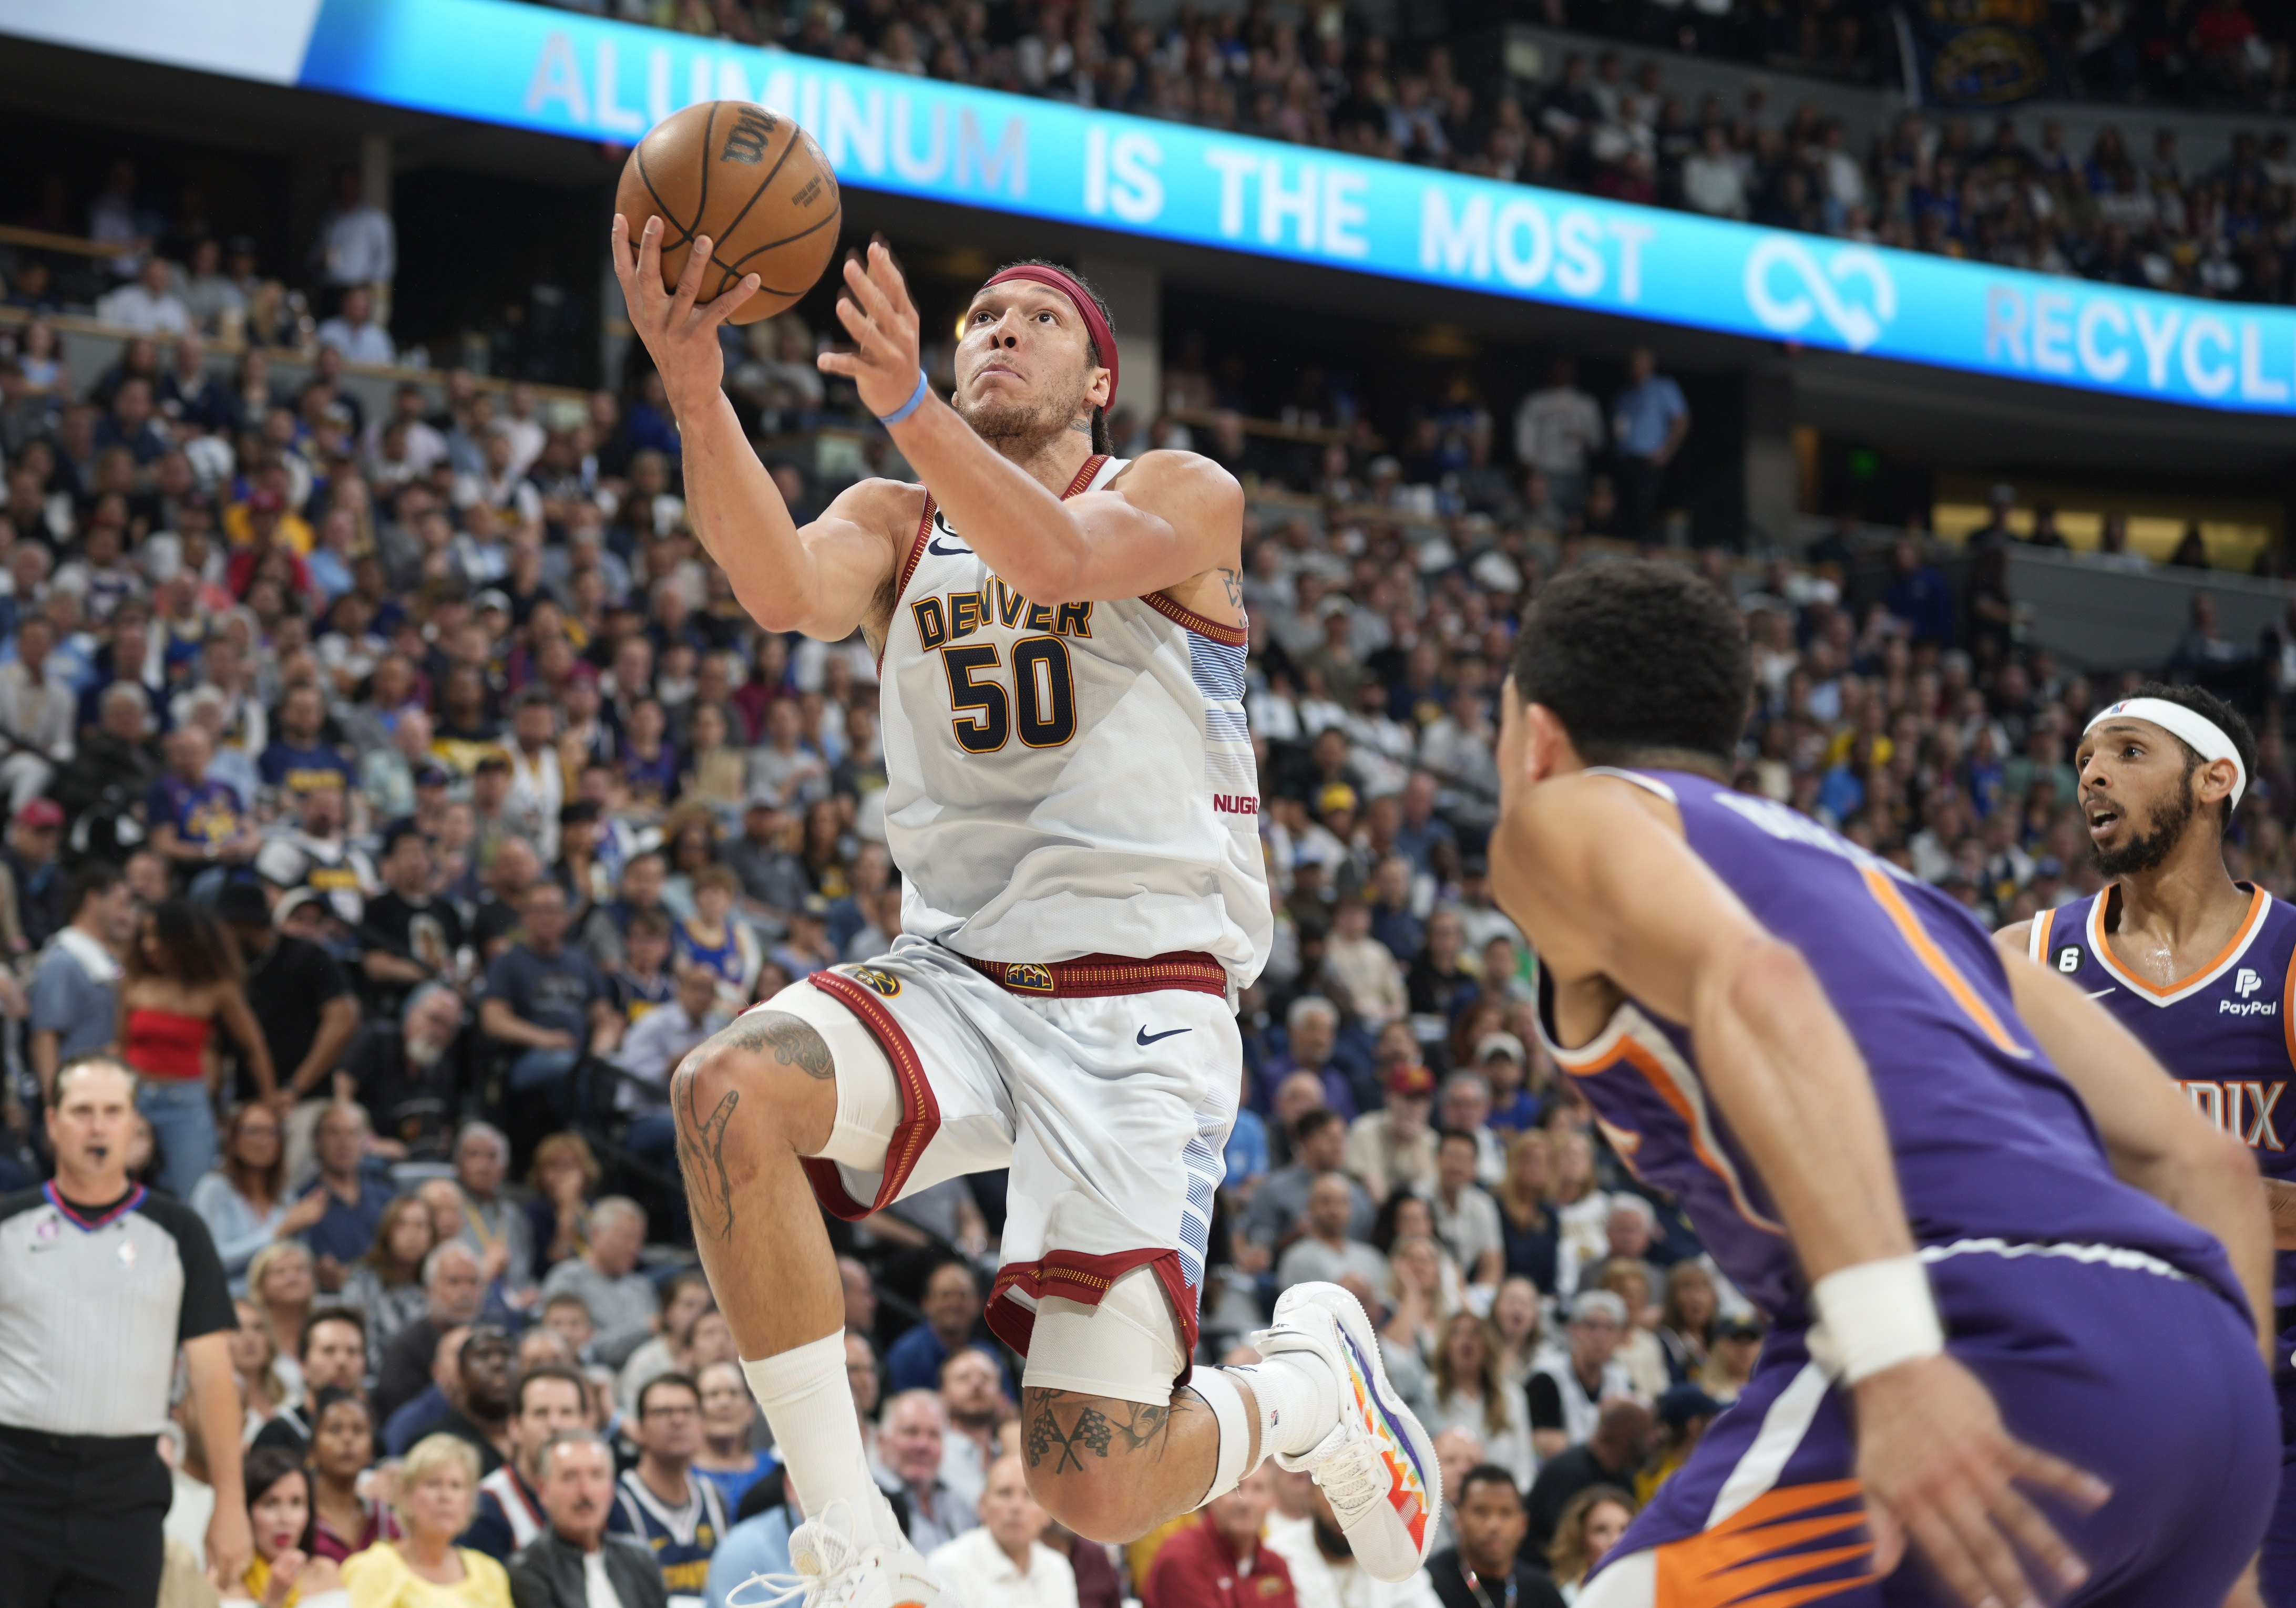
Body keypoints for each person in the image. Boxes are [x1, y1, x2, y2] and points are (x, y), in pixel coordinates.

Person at [627, 230, 1431, 1604]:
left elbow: (1055, 558)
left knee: (1091, 1484)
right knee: (723, 1093)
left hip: (1143, 998)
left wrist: (906, 408)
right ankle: (855, 1550)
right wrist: (697, 387)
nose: (994, 331)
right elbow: (775, 589)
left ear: (1098, 377)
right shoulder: (896, 518)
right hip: (954, 977)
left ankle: (1309, 1389)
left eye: (1032, 321)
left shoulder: (1179, 492)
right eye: (977, 318)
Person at [1489, 560, 2274, 1607]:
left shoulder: (1563, 814)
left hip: (1993, 1332)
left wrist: (1895, 1357)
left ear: (1537, 737)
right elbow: (2204, 1160)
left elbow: (1760, 983)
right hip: (2212, 1391)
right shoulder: (1905, 898)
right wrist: (2234, 1495)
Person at [1996, 681, 2296, 1606]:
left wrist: (2181, 1194)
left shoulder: (2285, 961)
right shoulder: (2025, 959)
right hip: (2084, 1384)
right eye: (2084, 755)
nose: (2091, 771)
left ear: (2212, 780)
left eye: (2127, 751)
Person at [0, 1057, 250, 1603]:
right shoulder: (7, 1225)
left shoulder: (180, 1231)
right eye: (82, 1111)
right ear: (52, 1122)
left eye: (113, 1112)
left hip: (125, 1490)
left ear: (135, 1124)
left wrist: (230, 1505)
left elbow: (212, 1378)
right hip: (13, 1480)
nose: (97, 1126)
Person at [121, 896, 277, 1198]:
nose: (149, 945)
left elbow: (254, 1048)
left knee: (195, 1196)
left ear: (181, 939)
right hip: (134, 1100)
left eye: (158, 936)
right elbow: (122, 1044)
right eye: (145, 936)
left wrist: (268, 1103)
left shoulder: (217, 990)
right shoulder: (134, 982)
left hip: (185, 1104)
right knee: (121, 1191)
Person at [342, 1432, 513, 1607]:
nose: (445, 1496)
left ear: (469, 1500)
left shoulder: (491, 1572)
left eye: (456, 1486)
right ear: (405, 1495)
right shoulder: (373, 1569)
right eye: (433, 1484)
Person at [506, 1428, 668, 1608]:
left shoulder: (640, 1558)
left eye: (597, 1475)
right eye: (570, 1477)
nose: (586, 1492)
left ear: (612, 1486)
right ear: (543, 1490)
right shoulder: (528, 1569)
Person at [609, 1373, 730, 1600]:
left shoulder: (714, 1497)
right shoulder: (616, 1503)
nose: (678, 1420)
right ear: (640, 1428)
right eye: (663, 1412)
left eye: (688, 1411)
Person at [26, 859, 135, 1105]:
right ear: (94, 899)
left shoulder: (107, 958)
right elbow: (45, 1038)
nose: (129, 915)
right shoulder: (63, 961)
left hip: (109, 1089)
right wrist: (53, 1105)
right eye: (122, 904)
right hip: (78, 1095)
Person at [468, 1366, 591, 1563]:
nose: (554, 1424)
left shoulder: (603, 1498)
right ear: (515, 1427)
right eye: (541, 1413)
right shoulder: (485, 1507)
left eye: (566, 1413)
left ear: (586, 1425)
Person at [929, 1452, 1079, 1608]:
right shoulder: (948, 1566)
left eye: (1030, 1496)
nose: (1016, 1507)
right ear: (982, 1505)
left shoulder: (1058, 1567)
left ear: (1048, 1512)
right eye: (1005, 1493)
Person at [1142, 1462, 1295, 1608]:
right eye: (1236, 1488)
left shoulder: (1276, 1566)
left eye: (1258, 1489)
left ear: (1273, 1499)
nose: (1246, 1502)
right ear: (1211, 1496)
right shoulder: (1181, 1558)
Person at [1520, 1401, 1652, 1561]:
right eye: (1647, 1435)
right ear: (1626, 1434)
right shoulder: (1567, 1474)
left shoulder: (1625, 1475)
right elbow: (1563, 1544)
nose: (1653, 1441)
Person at [220, 1446, 350, 1607]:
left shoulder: (325, 1572)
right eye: (270, 1504)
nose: (285, 1519)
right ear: (246, 1511)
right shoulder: (225, 1585)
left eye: (296, 1503)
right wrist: (273, 1600)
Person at [376, 1242, 490, 1424]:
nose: (465, 1292)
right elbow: (398, 1422)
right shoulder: (404, 1350)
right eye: (454, 1282)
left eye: (473, 1282)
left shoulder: (491, 1341)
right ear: (429, 1290)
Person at [536, 1197, 659, 1366]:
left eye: (639, 1240)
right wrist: (646, 1329)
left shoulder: (642, 1286)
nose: (635, 1248)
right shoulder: (567, 1280)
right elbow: (579, 1347)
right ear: (595, 1234)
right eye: (627, 1237)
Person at [1427, 1465, 1563, 1608]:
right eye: (1481, 1511)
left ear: (1523, 1524)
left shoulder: (1541, 1590)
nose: (1494, 1525)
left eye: (1506, 1513)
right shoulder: (1428, 1584)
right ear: (1458, 1519)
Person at [1426, 1316, 1531, 1493]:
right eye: (1457, 1332)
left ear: (1488, 1346)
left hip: (1498, 1500)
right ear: (1445, 1346)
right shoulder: (1428, 1392)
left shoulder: (1511, 1396)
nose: (1466, 1340)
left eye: (1476, 1333)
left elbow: (1524, 1466)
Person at [307, 1389, 403, 1562]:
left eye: (358, 1431)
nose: (348, 1439)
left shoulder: (384, 1520)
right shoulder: (301, 1516)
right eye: (335, 1430)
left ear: (371, 1451)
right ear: (313, 1451)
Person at [878, 1389, 977, 1555]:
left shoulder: (958, 1502)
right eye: (911, 1432)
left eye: (934, 1435)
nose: (923, 1445)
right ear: (882, 1442)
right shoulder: (869, 1502)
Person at [1606, 349, 1687, 542]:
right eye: (1634, 365)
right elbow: (1617, 426)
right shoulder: (1624, 395)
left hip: (1649, 461)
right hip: (1625, 459)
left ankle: (1646, 547)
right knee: (1622, 508)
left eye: (1642, 365)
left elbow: (1681, 420)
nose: (1637, 370)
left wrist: (1667, 452)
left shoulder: (1663, 388)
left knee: (1644, 509)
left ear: (1650, 366)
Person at [694, 1358, 774, 1513]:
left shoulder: (772, 1470)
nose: (724, 1403)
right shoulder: (682, 1474)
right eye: (713, 1394)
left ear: (751, 1411)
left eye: (734, 1393)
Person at [1543, 1486, 1632, 1605]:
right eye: (1601, 1530)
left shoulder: (1650, 1586)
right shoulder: (1562, 1595)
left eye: (1624, 1530)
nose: (1615, 1541)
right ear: (1579, 1538)